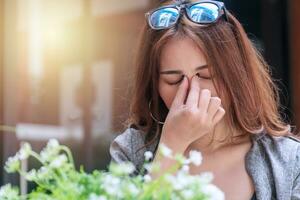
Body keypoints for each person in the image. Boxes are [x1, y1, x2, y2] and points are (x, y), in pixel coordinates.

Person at [109, 0, 300, 199]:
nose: (193, 91)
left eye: (206, 75)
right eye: (173, 80)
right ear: (154, 85)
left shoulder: (291, 160)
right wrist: (171, 146)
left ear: (236, 74)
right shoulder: (129, 150)